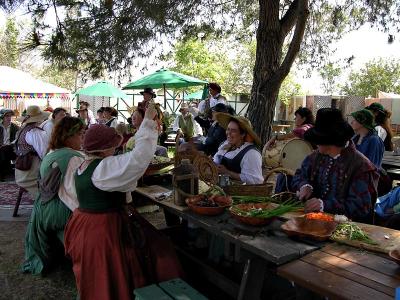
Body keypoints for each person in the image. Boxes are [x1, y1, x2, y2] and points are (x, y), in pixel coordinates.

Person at [64, 102, 183, 300]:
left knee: (99, 269)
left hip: (84, 224)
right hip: (103, 228)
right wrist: (147, 123)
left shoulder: (83, 166)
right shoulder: (103, 168)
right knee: (117, 265)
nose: (115, 149)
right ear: (105, 148)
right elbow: (138, 159)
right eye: (113, 146)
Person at [292, 108, 379, 223]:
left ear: (329, 141)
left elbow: (361, 206)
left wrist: (324, 205)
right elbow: (299, 175)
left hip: (345, 231)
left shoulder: (361, 166)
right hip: (312, 223)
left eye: (318, 140)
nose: (316, 143)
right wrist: (304, 185)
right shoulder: (315, 157)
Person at [23, 117, 85, 275]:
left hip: (42, 208)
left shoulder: (51, 153)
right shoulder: (73, 158)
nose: (83, 138)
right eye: (80, 134)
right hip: (58, 211)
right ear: (69, 136)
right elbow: (75, 193)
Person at [266, 107, 315, 193]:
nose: (294, 119)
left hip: (303, 166)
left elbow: (291, 134)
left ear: (303, 119)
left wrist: (275, 137)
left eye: (296, 117)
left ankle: (281, 196)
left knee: (284, 175)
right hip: (303, 164)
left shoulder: (305, 128)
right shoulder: (310, 127)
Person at [213, 113, 263, 184]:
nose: (228, 133)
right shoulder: (226, 146)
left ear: (242, 134)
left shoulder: (251, 153)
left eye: (233, 130)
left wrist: (227, 172)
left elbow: (255, 180)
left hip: (238, 192)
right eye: (228, 129)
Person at [15, 106, 50, 198]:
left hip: (21, 171)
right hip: (31, 174)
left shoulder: (23, 130)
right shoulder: (35, 132)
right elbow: (44, 154)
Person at [0, 109, 19, 181]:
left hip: (11, 148)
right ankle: (6, 170)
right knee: (2, 151)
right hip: (2, 148)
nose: (9, 118)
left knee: (3, 150)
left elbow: (17, 140)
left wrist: (11, 144)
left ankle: (3, 173)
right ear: (2, 117)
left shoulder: (15, 127)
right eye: (7, 116)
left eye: (10, 116)